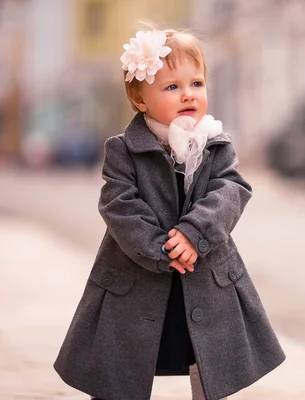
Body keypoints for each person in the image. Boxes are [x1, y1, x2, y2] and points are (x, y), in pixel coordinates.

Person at [53, 25, 285, 400]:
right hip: (139, 273)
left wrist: (195, 233)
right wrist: (161, 249)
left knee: (209, 357)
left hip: (204, 273)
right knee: (120, 366)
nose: (188, 94)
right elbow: (119, 204)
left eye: (196, 83)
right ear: (140, 99)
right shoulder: (124, 150)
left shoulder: (215, 144)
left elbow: (231, 190)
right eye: (172, 87)